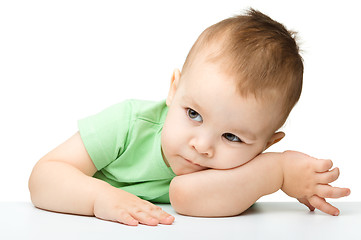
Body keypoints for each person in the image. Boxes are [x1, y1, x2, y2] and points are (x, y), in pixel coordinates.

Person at [28, 8, 351, 226]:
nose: (202, 146)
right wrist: (100, 198)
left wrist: (277, 171)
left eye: (232, 137)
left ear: (266, 144)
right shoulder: (128, 125)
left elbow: (188, 198)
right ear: (174, 89)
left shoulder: (243, 167)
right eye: (193, 114)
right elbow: (44, 178)